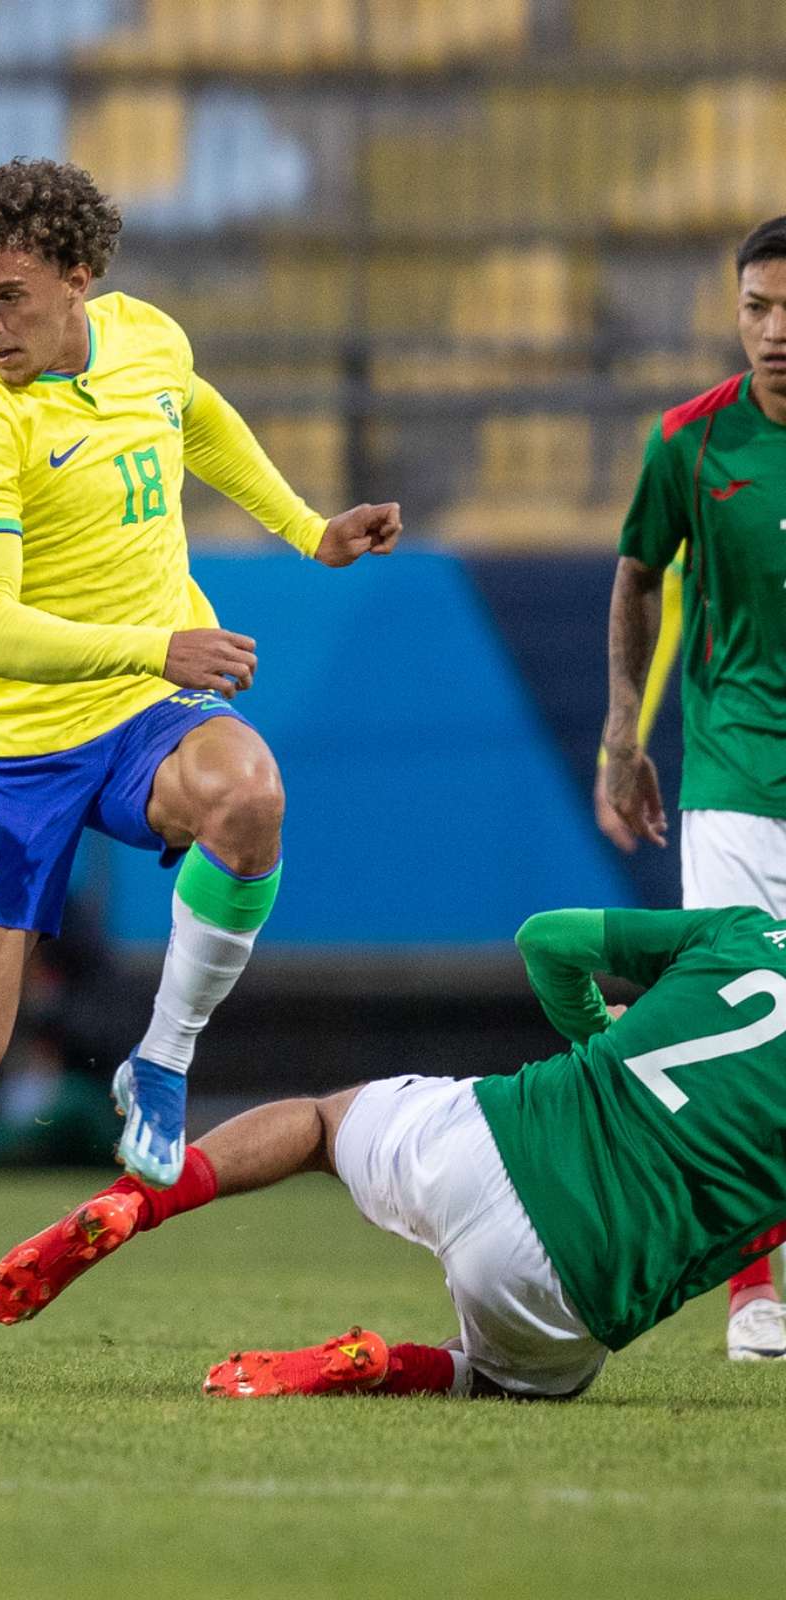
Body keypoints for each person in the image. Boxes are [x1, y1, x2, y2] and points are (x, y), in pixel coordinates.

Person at [0, 159, 401, 1337]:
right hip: (13, 744)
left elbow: (199, 417)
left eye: (10, 297)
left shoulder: (144, 339)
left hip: (143, 711)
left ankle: (163, 1060)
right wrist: (160, 639)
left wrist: (307, 530)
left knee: (250, 793)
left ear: (80, 278)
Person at [0, 904, 786, 1399]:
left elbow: (547, 940)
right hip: (568, 1284)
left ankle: (138, 1198)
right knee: (512, 1381)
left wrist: (597, 1038)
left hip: (488, 1137)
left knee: (320, 1126)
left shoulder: (747, 931)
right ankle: (382, 1364)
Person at [595, 214, 786, 1361]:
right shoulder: (689, 444)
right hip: (735, 783)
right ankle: (752, 1292)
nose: (775, 332)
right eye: (756, 307)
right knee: (745, 1025)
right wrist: (625, 733)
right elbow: (637, 575)